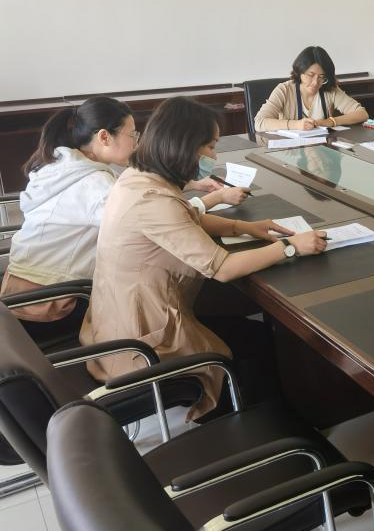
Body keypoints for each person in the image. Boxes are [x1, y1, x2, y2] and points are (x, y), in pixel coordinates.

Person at [79, 97, 328, 419]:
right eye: (210, 147)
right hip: (140, 344)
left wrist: (244, 227)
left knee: (245, 328)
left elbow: (185, 217)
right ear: (185, 147)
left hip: (121, 319)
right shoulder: (152, 199)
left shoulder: (138, 177)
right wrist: (291, 246)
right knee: (256, 341)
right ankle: (260, 426)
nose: (214, 156)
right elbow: (223, 269)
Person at [0, 97, 247, 347]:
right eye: (132, 135)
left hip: (21, 287)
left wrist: (191, 182)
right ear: (104, 137)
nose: (136, 143)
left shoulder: (65, 165)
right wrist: (214, 199)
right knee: (171, 285)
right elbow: (158, 217)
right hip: (51, 305)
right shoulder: (94, 185)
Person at [253, 45, 368, 132]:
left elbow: (362, 114)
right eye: (310, 75)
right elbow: (259, 122)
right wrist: (296, 125)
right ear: (300, 71)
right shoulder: (284, 90)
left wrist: (330, 122)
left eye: (321, 77)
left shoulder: (330, 90)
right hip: (291, 151)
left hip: (323, 149)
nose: (315, 83)